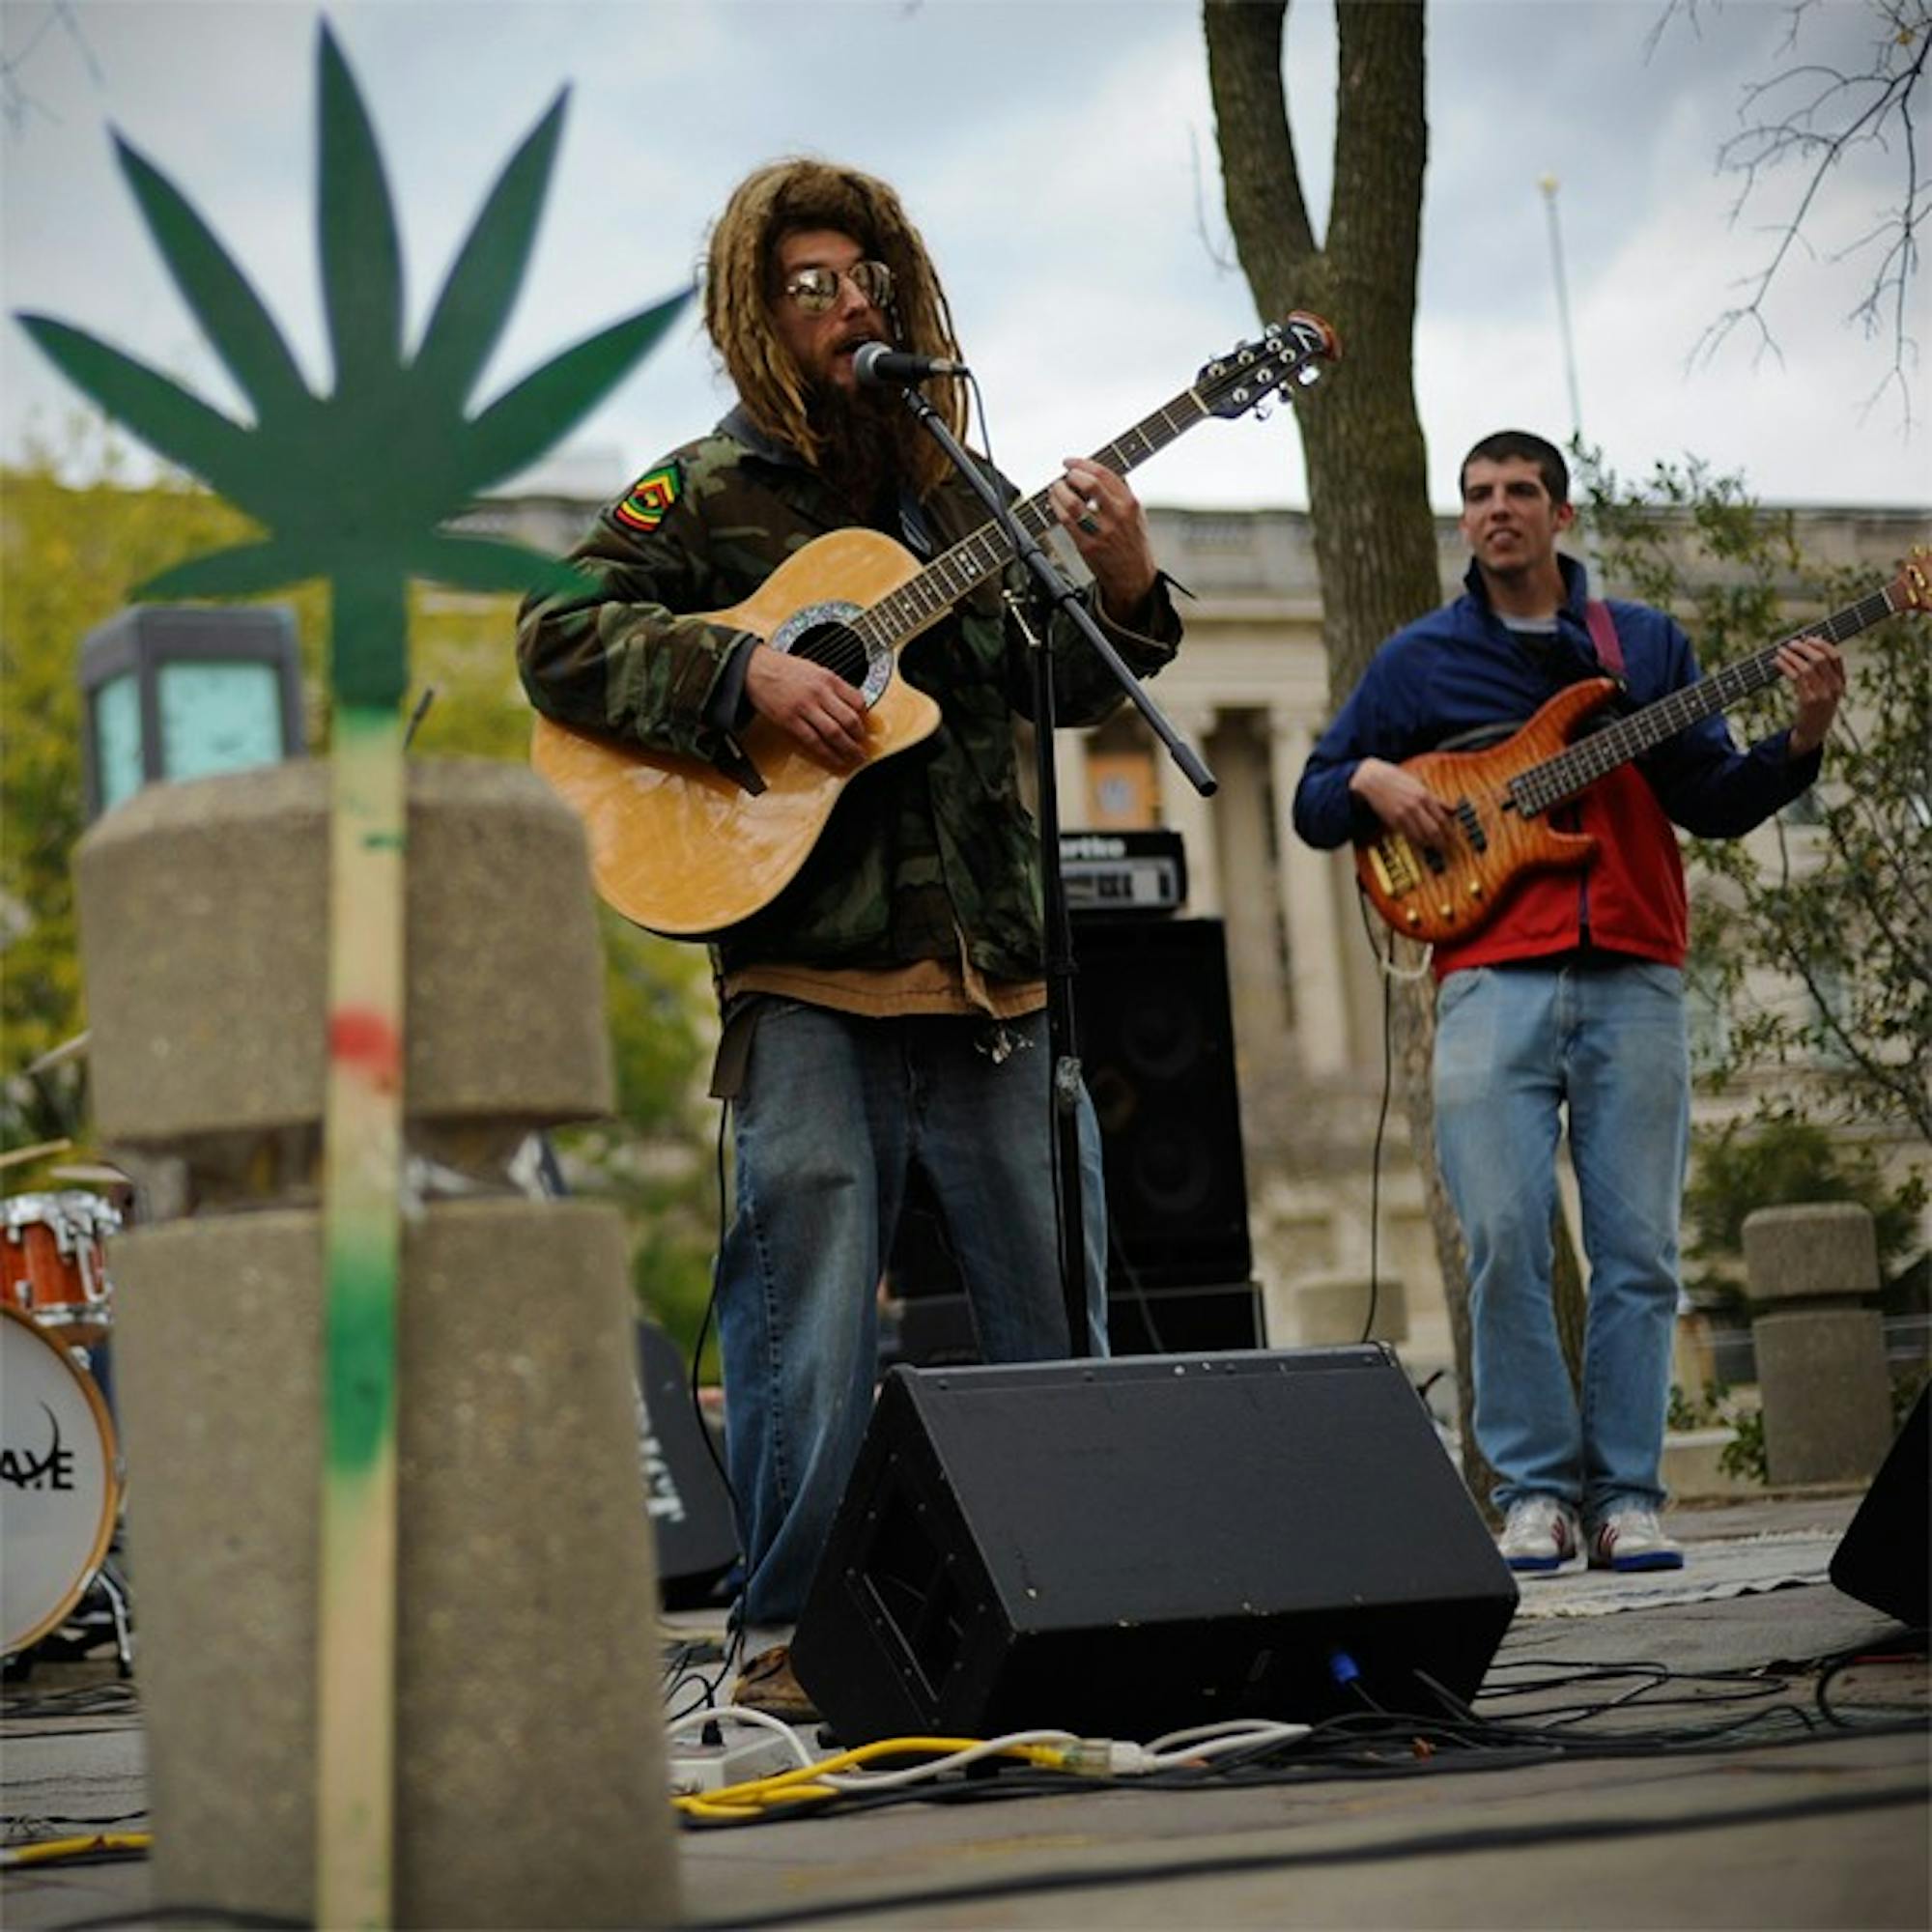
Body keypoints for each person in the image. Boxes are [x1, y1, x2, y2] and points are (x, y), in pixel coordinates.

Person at [517, 159, 1183, 1710]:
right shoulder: (701, 488)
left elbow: (1071, 685)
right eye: (811, 286)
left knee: (1050, 1301)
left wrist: (1132, 585)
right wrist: (738, 676)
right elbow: (554, 633)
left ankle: (1083, 1596)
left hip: (993, 971)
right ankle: (784, 1641)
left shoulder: (958, 489)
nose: (847, 306)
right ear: (757, 313)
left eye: (865, 281)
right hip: (808, 972)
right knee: (802, 1311)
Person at [1293, 430, 1843, 1576]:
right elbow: (1309, 798)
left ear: (1561, 515)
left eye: (1519, 493)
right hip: (1487, 976)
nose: (1498, 510)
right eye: (1478, 495)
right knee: (1501, 1237)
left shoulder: (1641, 644)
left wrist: (1801, 734)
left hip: (1633, 969)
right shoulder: (1415, 662)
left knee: (1637, 1251)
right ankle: (1534, 1492)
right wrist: (1367, 777)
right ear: (1462, 520)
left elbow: (1716, 802)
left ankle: (1627, 1495)